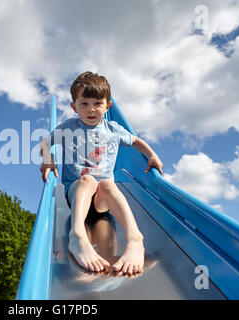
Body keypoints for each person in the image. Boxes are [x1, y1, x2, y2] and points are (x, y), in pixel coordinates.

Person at [40, 71, 163, 276]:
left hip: (102, 203)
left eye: (97, 103)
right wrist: (47, 160)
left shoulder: (113, 129)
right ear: (74, 107)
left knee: (107, 184)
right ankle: (77, 234)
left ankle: (135, 238)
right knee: (87, 180)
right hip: (77, 193)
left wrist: (151, 155)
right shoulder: (69, 127)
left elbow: (136, 141)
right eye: (84, 103)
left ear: (108, 106)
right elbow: (44, 143)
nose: (91, 109)